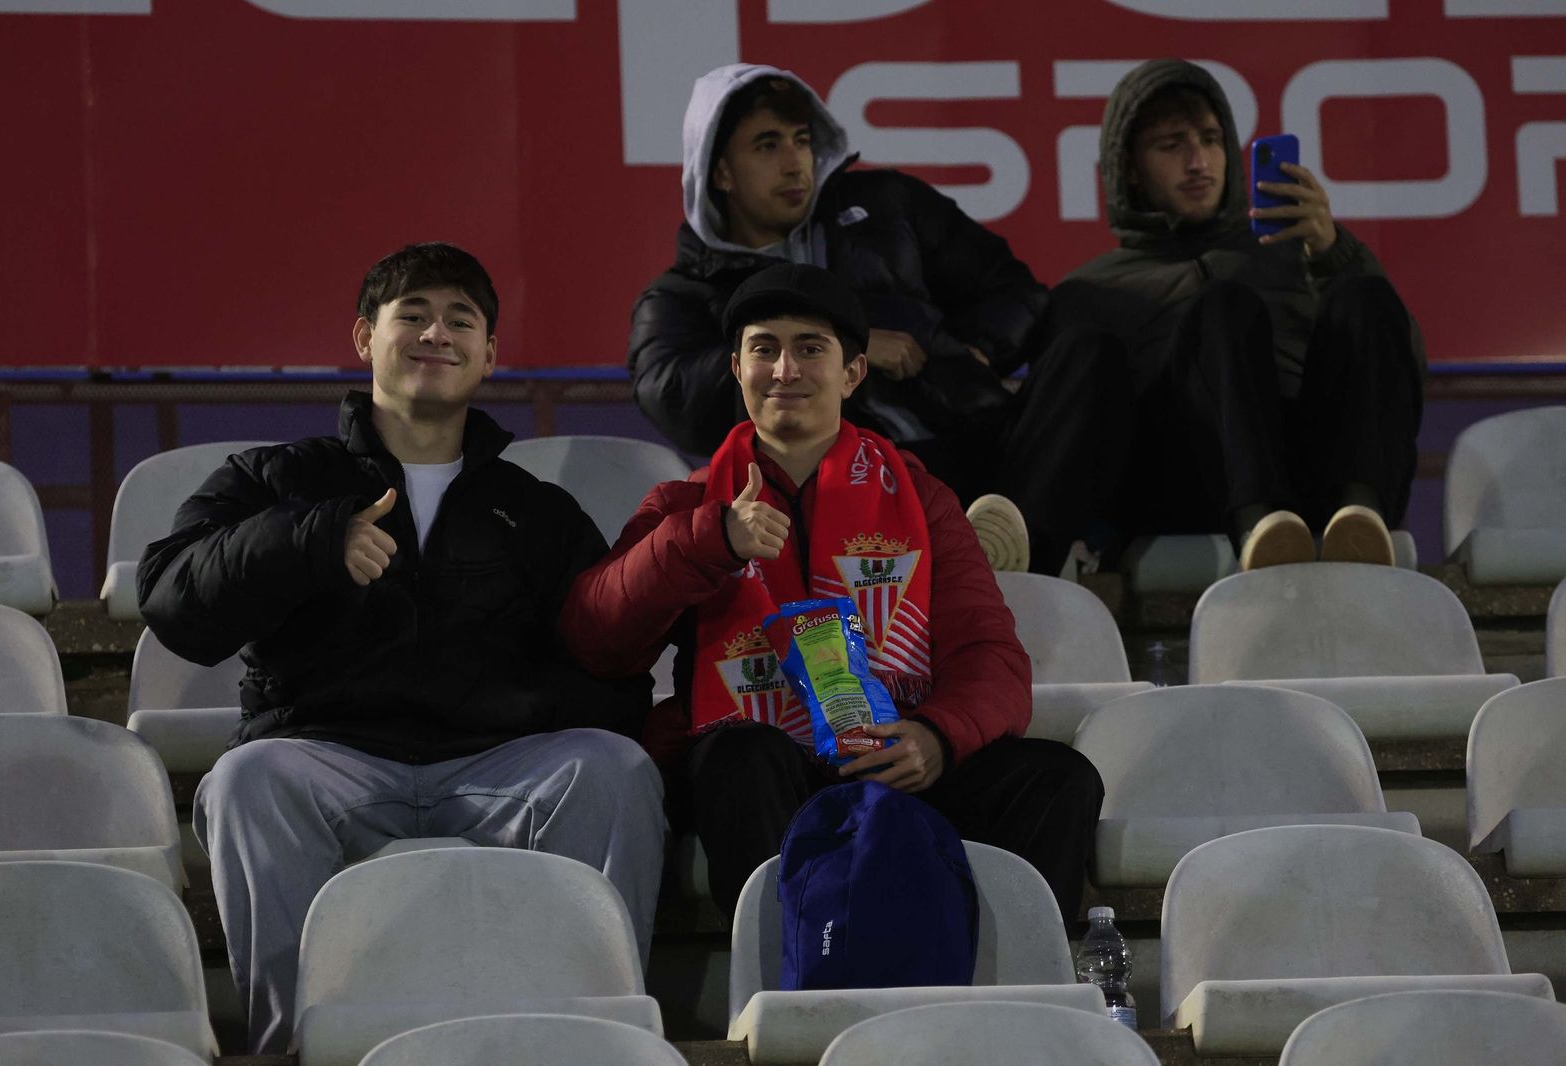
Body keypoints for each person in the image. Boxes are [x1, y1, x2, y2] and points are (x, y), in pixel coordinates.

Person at [137, 242, 664, 1054]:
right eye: (411, 314)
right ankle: (294, 1047)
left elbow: (603, 660)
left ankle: (588, 1038)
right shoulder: (283, 478)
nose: (435, 333)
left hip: (499, 767)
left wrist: (513, 705)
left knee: (613, 769)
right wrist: (313, 541)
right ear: (363, 338)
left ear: (490, 353)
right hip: (326, 759)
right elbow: (172, 600)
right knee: (247, 779)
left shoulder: (536, 509)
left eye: (461, 319)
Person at [567, 262, 1103, 922]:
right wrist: (709, 543)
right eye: (764, 349)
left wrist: (936, 737)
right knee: (740, 754)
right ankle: (783, 984)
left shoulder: (921, 499)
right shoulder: (687, 506)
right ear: (736, 368)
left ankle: (1016, 991)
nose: (785, 370)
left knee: (1057, 778)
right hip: (765, 770)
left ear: (852, 373)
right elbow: (595, 635)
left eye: (810, 349)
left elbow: (989, 654)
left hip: (888, 748)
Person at [628, 63, 1130, 574]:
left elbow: (1013, 289)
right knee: (808, 442)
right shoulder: (680, 294)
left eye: (801, 140)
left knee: (1089, 352)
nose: (794, 163)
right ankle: (978, 563)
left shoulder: (889, 206)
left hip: (975, 436)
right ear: (720, 171)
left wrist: (973, 350)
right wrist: (837, 348)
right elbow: (669, 391)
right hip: (851, 478)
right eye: (766, 145)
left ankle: (1016, 557)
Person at [1049, 58, 1424, 569]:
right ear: (1130, 168)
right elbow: (1092, 432)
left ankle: (1360, 521)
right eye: (1171, 145)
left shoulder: (1297, 246)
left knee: (1363, 295)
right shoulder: (1090, 289)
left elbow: (1402, 368)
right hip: (1194, 485)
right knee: (1222, 307)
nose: (1198, 161)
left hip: (1317, 477)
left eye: (1210, 139)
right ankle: (1260, 527)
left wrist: (1333, 252)